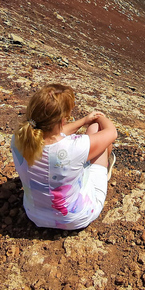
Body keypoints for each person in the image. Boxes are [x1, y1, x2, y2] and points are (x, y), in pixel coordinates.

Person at [11, 83, 117, 230]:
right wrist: (100, 117)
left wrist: (83, 120)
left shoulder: (19, 139)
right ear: (62, 120)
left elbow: (52, 133)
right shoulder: (73, 147)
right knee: (96, 129)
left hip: (35, 215)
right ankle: (104, 167)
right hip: (75, 218)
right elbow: (111, 133)